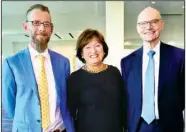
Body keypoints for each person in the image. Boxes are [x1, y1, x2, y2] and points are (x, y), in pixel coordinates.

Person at [2, 4, 75, 132]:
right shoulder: (11, 63)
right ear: (26, 27)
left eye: (46, 24)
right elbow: (10, 105)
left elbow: (66, 99)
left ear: (51, 29)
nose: (42, 28)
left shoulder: (63, 62)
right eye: (36, 23)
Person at [120, 7, 185, 132]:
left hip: (169, 126)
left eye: (154, 21)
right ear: (137, 28)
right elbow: (127, 97)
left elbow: (183, 96)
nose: (148, 27)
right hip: (138, 126)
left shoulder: (180, 57)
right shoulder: (127, 62)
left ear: (161, 24)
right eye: (143, 23)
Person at [67, 29, 127, 132]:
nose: (93, 51)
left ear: (104, 49)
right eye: (88, 47)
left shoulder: (114, 73)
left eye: (97, 45)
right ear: (81, 53)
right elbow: (70, 112)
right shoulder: (75, 78)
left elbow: (123, 105)